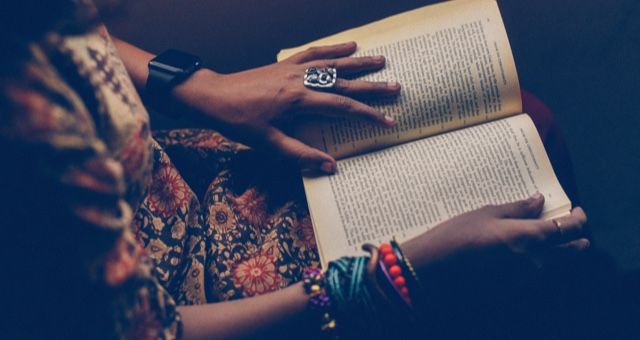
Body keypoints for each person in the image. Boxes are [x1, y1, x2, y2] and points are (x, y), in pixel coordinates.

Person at [0, 1, 590, 339]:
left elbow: (74, 29)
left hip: (189, 172)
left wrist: (205, 87)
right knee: (525, 263)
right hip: (214, 305)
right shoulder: (34, 152)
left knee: (529, 122)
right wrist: (396, 271)